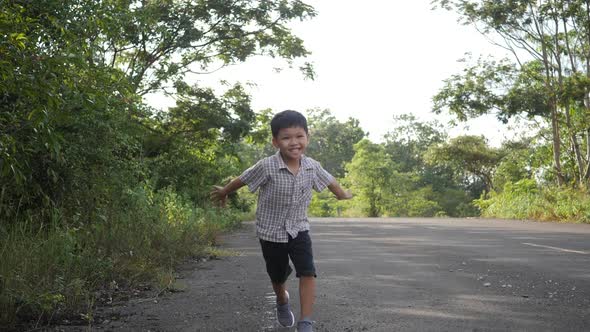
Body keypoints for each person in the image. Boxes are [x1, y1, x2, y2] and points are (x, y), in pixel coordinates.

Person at [210, 110, 352, 332]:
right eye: (286, 138)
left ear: (307, 137)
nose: (294, 143)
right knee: (277, 275)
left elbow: (330, 181)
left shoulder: (312, 166)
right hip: (271, 232)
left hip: (299, 229)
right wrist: (224, 192)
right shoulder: (267, 166)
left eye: (299, 136)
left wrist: (342, 194)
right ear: (276, 141)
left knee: (307, 271)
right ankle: (282, 300)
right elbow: (243, 178)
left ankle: (306, 321)